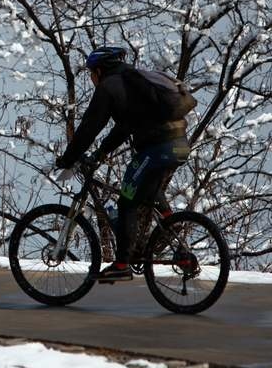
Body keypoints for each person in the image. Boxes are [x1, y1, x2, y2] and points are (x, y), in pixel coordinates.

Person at [55, 46, 190, 283]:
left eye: (90, 73)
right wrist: (99, 154)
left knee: (127, 200)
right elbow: (124, 128)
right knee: (147, 185)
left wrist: (68, 158)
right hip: (179, 145)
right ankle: (170, 223)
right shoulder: (132, 82)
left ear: (99, 70)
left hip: (157, 148)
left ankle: (121, 265)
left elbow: (89, 127)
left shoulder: (109, 86)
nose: (91, 79)